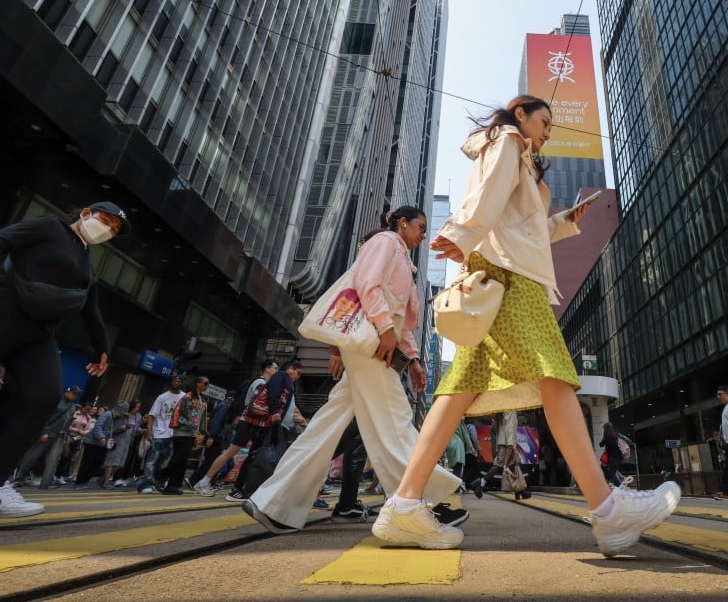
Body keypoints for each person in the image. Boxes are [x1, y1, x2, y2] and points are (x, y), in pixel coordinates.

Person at [370, 96, 680, 555]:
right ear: (521, 115)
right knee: (553, 374)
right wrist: (460, 233)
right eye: (545, 120)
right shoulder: (509, 139)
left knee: (463, 389)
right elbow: (489, 195)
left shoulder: (523, 158)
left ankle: (405, 503)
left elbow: (521, 225)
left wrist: (562, 222)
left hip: (504, 269)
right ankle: (609, 510)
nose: (549, 129)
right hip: (509, 277)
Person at [242, 207, 465, 534]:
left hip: (377, 343)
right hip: (372, 343)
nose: (423, 233)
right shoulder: (386, 242)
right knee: (395, 418)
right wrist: (385, 329)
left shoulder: (405, 260)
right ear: (402, 223)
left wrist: (414, 359)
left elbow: (403, 323)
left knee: (325, 427)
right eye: (420, 226)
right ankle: (420, 501)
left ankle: (273, 503)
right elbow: (366, 285)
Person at [0, 202, 127, 517]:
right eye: (106, 221)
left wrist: (102, 350)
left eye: (115, 230)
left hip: (37, 335)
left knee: (44, 396)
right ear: (85, 212)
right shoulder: (48, 226)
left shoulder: (85, 266)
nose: (108, 230)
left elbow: (91, 309)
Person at [192, 359, 279, 497]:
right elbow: (255, 405)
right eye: (275, 368)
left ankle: (207, 481)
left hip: (250, 423)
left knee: (234, 453)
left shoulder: (262, 383)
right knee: (229, 453)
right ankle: (203, 481)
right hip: (248, 422)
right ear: (267, 368)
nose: (277, 371)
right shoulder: (260, 383)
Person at [13, 385, 81, 486]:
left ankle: (45, 481)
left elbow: (68, 422)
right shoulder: (58, 402)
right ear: (67, 392)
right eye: (74, 393)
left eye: (77, 394)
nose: (75, 396)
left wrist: (66, 436)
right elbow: (47, 418)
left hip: (60, 436)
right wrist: (44, 432)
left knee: (52, 460)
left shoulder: (72, 406)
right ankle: (19, 477)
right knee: (34, 456)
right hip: (48, 433)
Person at [138, 375, 186, 494]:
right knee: (152, 460)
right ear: (171, 382)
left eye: (179, 381)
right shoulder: (162, 397)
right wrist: (149, 432)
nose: (176, 383)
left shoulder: (184, 397)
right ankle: (145, 484)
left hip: (174, 434)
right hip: (159, 433)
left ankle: (157, 480)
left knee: (167, 461)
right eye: (174, 381)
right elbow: (152, 415)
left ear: (182, 383)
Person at [163, 377, 209, 495]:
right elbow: (180, 412)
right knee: (179, 458)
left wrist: (203, 431)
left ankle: (173, 486)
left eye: (207, 384)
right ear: (197, 384)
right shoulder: (188, 397)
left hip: (192, 433)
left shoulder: (202, 399)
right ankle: (160, 476)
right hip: (182, 431)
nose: (206, 386)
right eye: (205, 383)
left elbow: (201, 418)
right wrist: (190, 423)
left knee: (183, 461)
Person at [75, 401, 129, 488]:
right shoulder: (107, 414)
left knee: (98, 463)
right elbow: (97, 427)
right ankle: (79, 482)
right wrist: (101, 437)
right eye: (122, 412)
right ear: (118, 410)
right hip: (92, 442)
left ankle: (86, 480)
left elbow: (112, 431)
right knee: (87, 463)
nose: (122, 415)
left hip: (103, 444)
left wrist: (120, 429)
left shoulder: (118, 419)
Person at [470, 411, 523, 497]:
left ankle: (520, 491)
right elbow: (510, 427)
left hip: (504, 441)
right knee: (502, 463)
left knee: (514, 463)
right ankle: (481, 482)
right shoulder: (511, 410)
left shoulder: (502, 409)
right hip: (507, 442)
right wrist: (511, 444)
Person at [103, 400, 140, 487]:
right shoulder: (123, 415)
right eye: (136, 407)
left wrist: (140, 430)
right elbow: (114, 428)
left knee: (120, 463)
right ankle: (106, 482)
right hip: (118, 439)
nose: (137, 409)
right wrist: (122, 428)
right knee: (111, 460)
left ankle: (103, 479)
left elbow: (137, 428)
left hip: (128, 441)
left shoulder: (138, 416)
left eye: (139, 407)